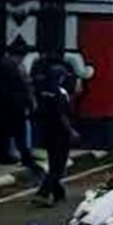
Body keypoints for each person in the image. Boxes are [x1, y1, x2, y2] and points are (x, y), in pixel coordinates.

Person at [33, 59, 79, 206]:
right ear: (61, 77)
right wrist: (71, 131)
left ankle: (59, 193)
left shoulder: (42, 92)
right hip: (60, 134)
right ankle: (43, 193)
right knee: (58, 167)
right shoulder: (60, 93)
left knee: (54, 163)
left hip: (47, 132)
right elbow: (62, 115)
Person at [0, 53, 45, 179]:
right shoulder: (15, 67)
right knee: (18, 131)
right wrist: (29, 101)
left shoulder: (4, 66)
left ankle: (7, 155)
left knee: (5, 132)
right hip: (15, 103)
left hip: (4, 103)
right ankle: (25, 157)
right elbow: (24, 84)